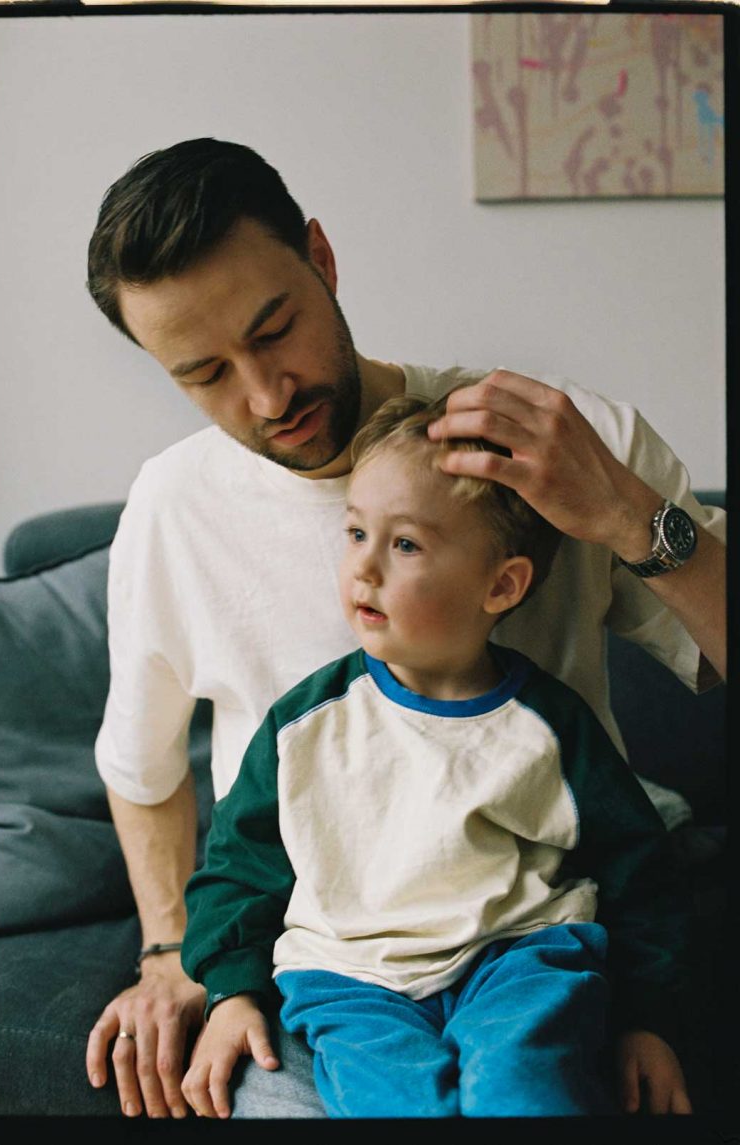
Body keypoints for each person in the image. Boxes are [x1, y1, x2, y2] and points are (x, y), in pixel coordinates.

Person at [83, 137, 726, 1119]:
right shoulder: (174, 508)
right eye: (204, 372)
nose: (265, 395)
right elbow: (144, 767)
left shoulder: (561, 441)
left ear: (323, 259)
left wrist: (630, 516)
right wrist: (174, 950)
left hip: (543, 942)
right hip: (327, 964)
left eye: (274, 328)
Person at [179, 391, 692, 1119]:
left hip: (520, 959)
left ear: (502, 584)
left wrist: (647, 1019)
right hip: (353, 979)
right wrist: (231, 991)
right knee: (397, 1107)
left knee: (526, 1092)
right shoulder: (307, 725)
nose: (365, 568)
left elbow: (639, 870)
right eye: (356, 532)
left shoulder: (549, 727)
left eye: (406, 544)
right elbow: (236, 865)